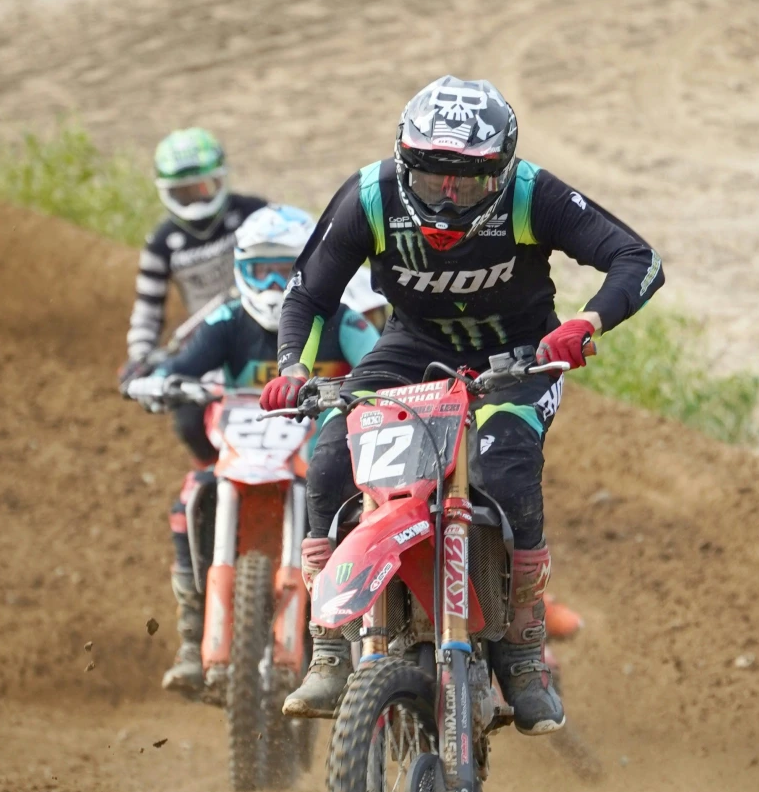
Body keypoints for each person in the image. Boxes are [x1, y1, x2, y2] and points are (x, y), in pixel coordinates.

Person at [260, 75, 663, 730]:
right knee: (331, 454)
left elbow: (636, 258)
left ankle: (523, 650)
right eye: (428, 176)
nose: (446, 194)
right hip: (410, 346)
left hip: (520, 356)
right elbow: (309, 293)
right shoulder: (371, 194)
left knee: (504, 473)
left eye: (466, 180)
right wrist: (290, 367)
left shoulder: (533, 192)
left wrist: (584, 324)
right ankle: (328, 648)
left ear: (500, 173)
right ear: (402, 161)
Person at [144, 205, 378, 695]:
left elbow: (379, 357)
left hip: (323, 448)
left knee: (367, 513)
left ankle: (370, 637)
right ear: (241, 270)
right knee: (189, 497)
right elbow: (183, 364)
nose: (272, 284)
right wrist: (159, 381)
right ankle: (192, 636)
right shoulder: (228, 319)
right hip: (245, 449)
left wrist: (374, 383)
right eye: (260, 270)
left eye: (283, 270)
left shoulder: (340, 320)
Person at [119, 128, 267, 470]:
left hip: (267, 326)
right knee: (188, 420)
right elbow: (147, 309)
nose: (196, 200)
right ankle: (212, 474)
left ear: (221, 179)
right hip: (210, 339)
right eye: (183, 193)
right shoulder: (161, 243)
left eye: (203, 188)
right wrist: (140, 355)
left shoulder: (254, 214)